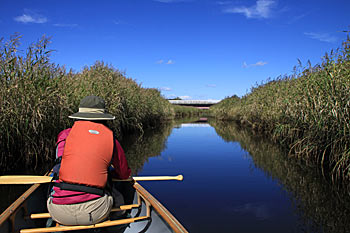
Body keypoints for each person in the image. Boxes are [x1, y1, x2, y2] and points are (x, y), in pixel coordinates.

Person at [47, 96, 132, 226]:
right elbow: (124, 174)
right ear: (103, 118)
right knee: (119, 198)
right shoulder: (111, 139)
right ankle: (115, 226)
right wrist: (110, 174)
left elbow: (58, 166)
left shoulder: (64, 135)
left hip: (58, 212)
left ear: (79, 115)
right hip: (94, 213)